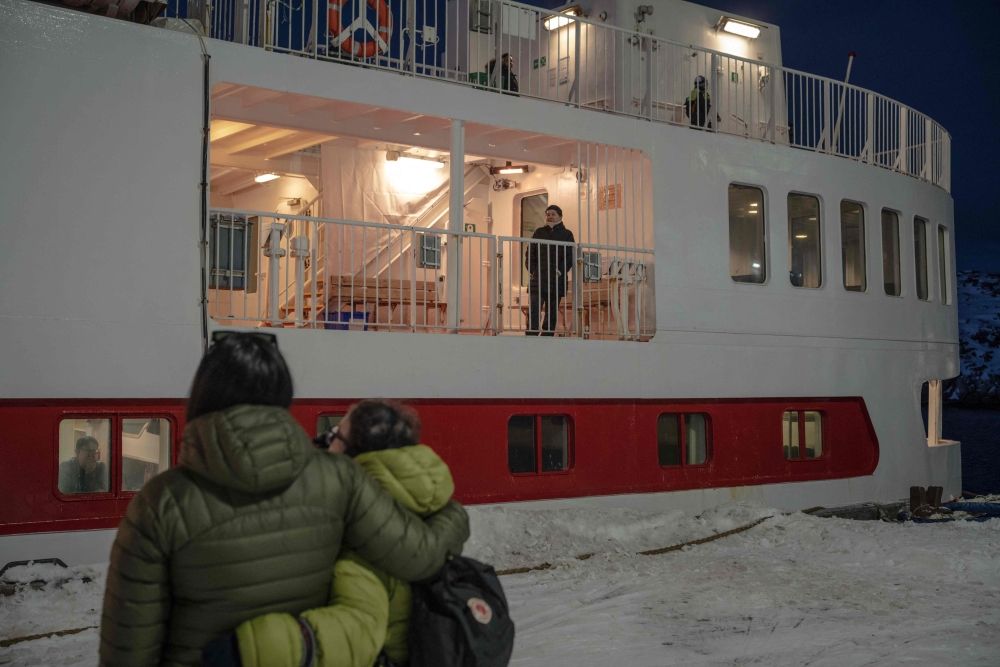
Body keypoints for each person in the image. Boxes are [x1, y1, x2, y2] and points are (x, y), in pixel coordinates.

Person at [98, 333, 469, 667]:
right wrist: (451, 512)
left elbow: (129, 650)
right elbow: (423, 556)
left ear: (203, 394)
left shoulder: (160, 503)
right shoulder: (338, 478)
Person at [225, 400, 458, 667]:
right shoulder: (412, 504)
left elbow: (359, 629)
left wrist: (248, 647)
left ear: (355, 450)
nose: (325, 442)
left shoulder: (364, 525)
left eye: (334, 435)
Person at [526, 204, 574, 336]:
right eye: (548, 214)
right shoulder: (539, 232)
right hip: (538, 278)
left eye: (553, 214)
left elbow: (570, 256)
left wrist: (560, 270)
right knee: (534, 308)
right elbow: (531, 252)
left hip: (556, 279)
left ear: (560, 216)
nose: (550, 217)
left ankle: (547, 334)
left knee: (552, 310)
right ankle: (531, 333)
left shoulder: (567, 234)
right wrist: (532, 270)